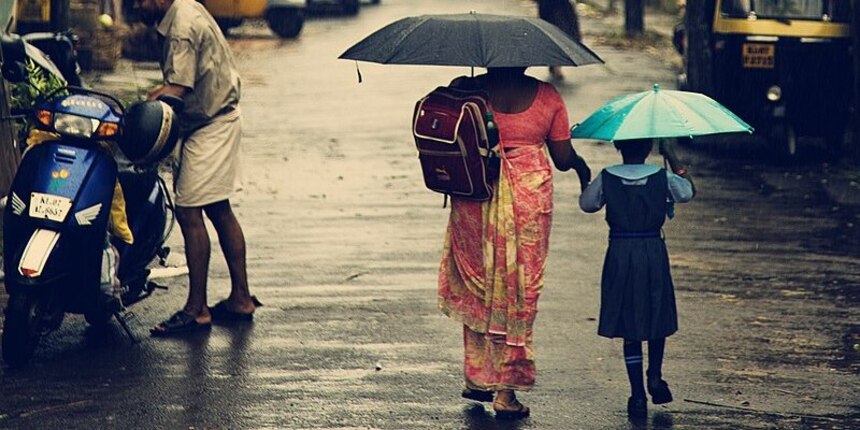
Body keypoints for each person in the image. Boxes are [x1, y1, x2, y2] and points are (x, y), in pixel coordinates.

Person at [439, 67, 591, 419]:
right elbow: (564, 157)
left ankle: (478, 378)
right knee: (517, 289)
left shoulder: (471, 90)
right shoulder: (547, 97)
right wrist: (584, 171)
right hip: (527, 199)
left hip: (475, 195)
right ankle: (505, 393)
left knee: (480, 285)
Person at [135, 0, 260, 336]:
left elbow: (177, 90)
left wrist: (142, 112)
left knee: (190, 212)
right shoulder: (184, 9)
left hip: (211, 124)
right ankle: (241, 298)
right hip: (212, 117)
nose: (136, 5)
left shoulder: (181, 28)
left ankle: (196, 309)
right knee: (218, 208)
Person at [578, 139, 695, 419]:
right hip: (652, 249)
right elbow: (688, 192)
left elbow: (587, 204)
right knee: (656, 312)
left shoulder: (607, 176)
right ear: (648, 150)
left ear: (619, 146)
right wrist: (672, 156)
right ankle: (655, 375)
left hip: (620, 252)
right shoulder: (662, 177)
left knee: (629, 318)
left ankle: (638, 395)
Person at [537, 0, 582, 80]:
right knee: (552, 30)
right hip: (549, 5)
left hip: (561, 5)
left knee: (563, 31)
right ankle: (555, 64)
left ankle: (555, 64)